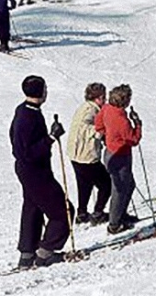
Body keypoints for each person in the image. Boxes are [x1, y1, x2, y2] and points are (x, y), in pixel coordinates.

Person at [9, 75, 71, 268]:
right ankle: (45, 253)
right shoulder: (27, 116)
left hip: (31, 170)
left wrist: (48, 137)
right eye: (45, 88)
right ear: (41, 91)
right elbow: (25, 152)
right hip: (34, 171)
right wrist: (50, 138)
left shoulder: (26, 110)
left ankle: (27, 254)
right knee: (63, 211)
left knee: (33, 208)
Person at [94, 85, 142, 235]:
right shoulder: (122, 120)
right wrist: (138, 125)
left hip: (110, 152)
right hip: (121, 155)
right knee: (120, 189)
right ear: (125, 101)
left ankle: (121, 214)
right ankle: (114, 224)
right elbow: (133, 140)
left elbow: (98, 123)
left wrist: (105, 136)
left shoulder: (107, 108)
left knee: (128, 185)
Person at [67, 83, 111, 225]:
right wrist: (100, 132)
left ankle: (82, 212)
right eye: (103, 97)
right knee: (106, 184)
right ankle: (98, 212)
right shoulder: (91, 110)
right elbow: (85, 127)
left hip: (75, 154)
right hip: (86, 155)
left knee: (84, 183)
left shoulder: (84, 107)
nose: (105, 100)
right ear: (98, 98)